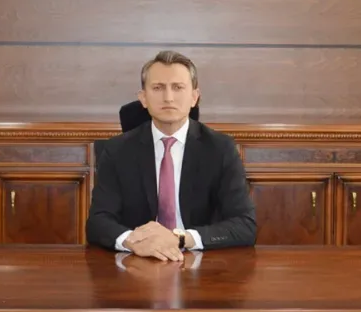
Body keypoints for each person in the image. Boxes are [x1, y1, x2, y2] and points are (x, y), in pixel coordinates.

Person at [86, 51, 257, 260]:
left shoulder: (220, 149)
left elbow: (244, 225)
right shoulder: (117, 151)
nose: (168, 97)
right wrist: (133, 241)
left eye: (178, 87)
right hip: (138, 261)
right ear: (143, 98)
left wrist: (180, 238)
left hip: (201, 264)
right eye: (158, 88)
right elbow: (98, 222)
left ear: (194, 97)